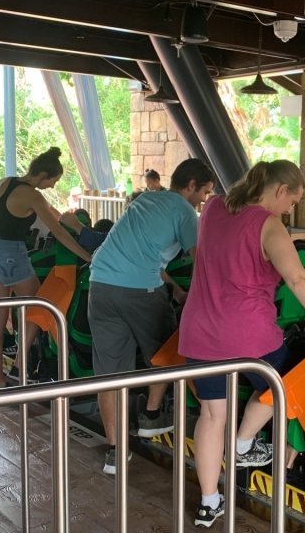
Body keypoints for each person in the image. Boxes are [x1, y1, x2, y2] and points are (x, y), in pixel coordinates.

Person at [179, 161, 305, 527]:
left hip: (200, 331)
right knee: (284, 385)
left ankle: (208, 502)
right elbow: (298, 279)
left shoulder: (214, 207)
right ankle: (243, 443)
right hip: (249, 335)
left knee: (211, 415)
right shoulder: (270, 225)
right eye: (292, 200)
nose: (290, 209)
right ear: (280, 189)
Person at [88, 158, 215, 475]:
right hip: (138, 291)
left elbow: (147, 258)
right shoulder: (185, 212)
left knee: (110, 373)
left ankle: (115, 453)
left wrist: (173, 288)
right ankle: (151, 415)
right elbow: (202, 264)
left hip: (100, 285)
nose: (205, 199)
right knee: (170, 350)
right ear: (191, 186)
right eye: (205, 192)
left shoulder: (145, 199)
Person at [0, 147, 92, 387]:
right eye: (53, 180)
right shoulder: (33, 196)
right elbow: (58, 231)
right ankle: (19, 367)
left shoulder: (3, 183)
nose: (53, 186)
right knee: (38, 306)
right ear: (43, 175)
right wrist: (87, 256)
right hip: (12, 255)